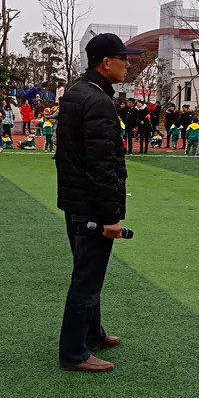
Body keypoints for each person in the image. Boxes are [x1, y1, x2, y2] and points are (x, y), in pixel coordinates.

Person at [55, 32, 143, 373]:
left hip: (75, 199)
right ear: (105, 63)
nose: (127, 64)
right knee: (87, 277)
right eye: (123, 59)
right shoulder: (98, 101)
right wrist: (111, 216)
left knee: (89, 272)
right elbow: (102, 162)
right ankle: (74, 352)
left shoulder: (77, 93)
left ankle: (92, 333)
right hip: (91, 203)